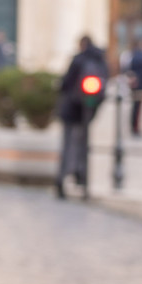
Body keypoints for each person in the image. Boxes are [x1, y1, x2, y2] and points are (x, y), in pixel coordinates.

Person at [54, 36, 107, 199]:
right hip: (87, 111)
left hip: (71, 110)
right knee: (83, 145)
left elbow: (65, 83)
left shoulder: (78, 60)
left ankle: (62, 179)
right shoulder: (101, 61)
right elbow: (103, 88)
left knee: (68, 145)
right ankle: (82, 180)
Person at [124, 38, 142, 137]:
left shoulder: (133, 55)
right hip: (140, 84)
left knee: (135, 106)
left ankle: (134, 126)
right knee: (137, 107)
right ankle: (135, 127)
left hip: (135, 84)